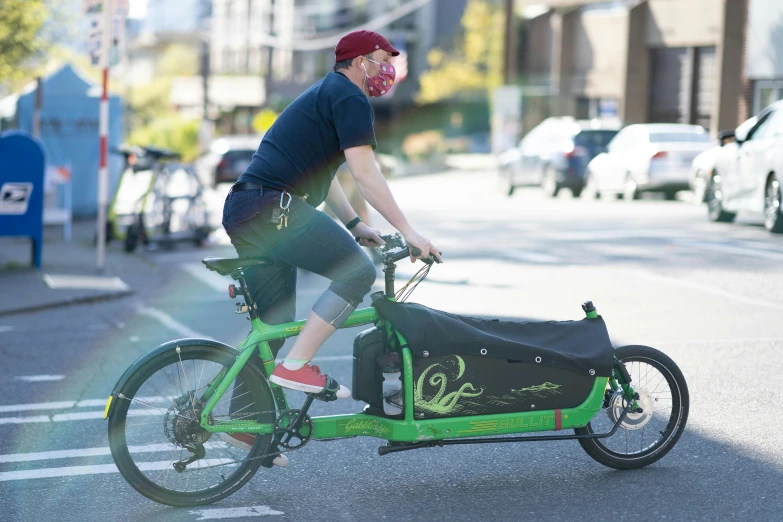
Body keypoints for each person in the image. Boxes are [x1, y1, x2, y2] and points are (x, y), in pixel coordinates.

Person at [220, 30, 442, 463]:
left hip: (250, 207)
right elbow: (365, 173)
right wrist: (409, 231)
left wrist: (356, 223)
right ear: (360, 61)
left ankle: (245, 428)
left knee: (274, 323)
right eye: (382, 58)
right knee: (357, 272)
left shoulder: (329, 93)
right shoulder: (349, 97)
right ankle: (298, 367)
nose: (388, 68)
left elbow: (329, 175)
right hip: (273, 208)